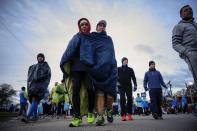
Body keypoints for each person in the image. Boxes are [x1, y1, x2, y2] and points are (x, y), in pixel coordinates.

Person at [60, 18, 95, 127]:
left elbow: (96, 53)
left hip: (88, 69)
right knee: (75, 92)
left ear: (88, 25)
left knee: (90, 89)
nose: (84, 26)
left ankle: (90, 111)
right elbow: (68, 52)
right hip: (76, 69)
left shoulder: (92, 38)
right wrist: (65, 68)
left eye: (85, 24)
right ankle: (77, 117)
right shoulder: (76, 37)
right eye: (81, 25)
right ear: (79, 27)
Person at [93, 20, 116, 126]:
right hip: (98, 70)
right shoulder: (92, 38)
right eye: (100, 25)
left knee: (110, 94)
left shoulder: (108, 39)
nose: (102, 27)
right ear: (96, 27)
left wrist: (114, 67)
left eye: (104, 26)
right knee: (100, 93)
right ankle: (100, 116)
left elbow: (112, 53)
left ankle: (109, 110)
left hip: (110, 69)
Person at [172, 5, 197, 90]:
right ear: (181, 15)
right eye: (186, 10)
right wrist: (188, 53)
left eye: (190, 9)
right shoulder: (178, 27)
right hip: (192, 53)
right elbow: (175, 44)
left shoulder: (195, 25)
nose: (189, 11)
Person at [22, 53, 51, 122]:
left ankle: (28, 116)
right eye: (39, 57)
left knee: (35, 100)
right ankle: (35, 117)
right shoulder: (33, 66)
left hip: (40, 87)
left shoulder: (46, 66)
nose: (40, 58)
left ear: (43, 58)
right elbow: (30, 77)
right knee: (33, 101)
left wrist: (38, 78)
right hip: (32, 87)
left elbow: (47, 75)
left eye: (41, 57)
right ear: (37, 58)